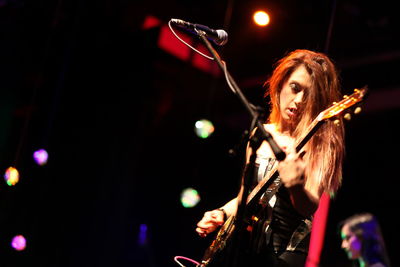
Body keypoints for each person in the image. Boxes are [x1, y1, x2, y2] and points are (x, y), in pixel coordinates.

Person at [195, 49, 345, 267]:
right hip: (247, 247)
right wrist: (221, 212)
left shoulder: (321, 143)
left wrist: (296, 185)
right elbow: (246, 197)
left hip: (284, 254)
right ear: (281, 84)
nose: (299, 100)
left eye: (309, 95)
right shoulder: (261, 133)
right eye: (295, 88)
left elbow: (308, 207)